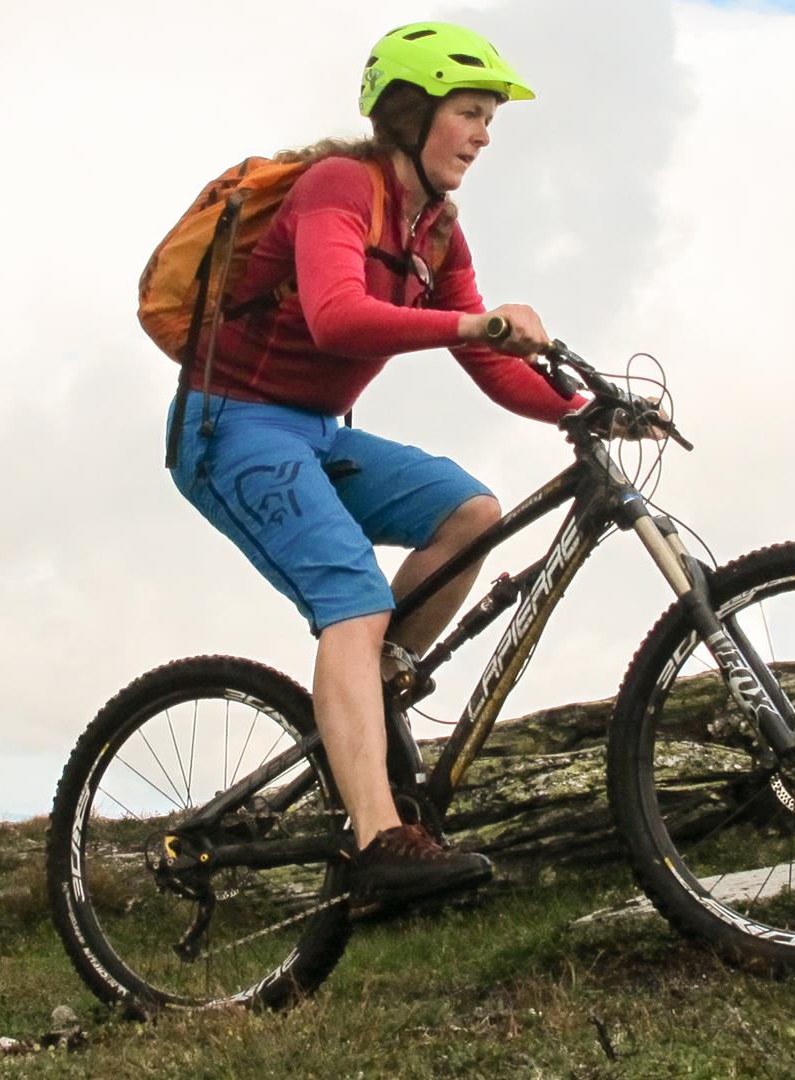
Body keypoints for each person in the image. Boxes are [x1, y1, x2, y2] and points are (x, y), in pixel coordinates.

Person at [166, 22, 595, 904]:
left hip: (317, 430)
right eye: (470, 114)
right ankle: (378, 844)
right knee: (353, 604)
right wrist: (476, 323)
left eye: (488, 120)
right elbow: (336, 315)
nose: (482, 135)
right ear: (410, 112)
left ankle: (366, 696)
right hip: (232, 427)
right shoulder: (337, 186)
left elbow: (492, 362)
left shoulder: (438, 231)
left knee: (472, 515)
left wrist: (587, 411)